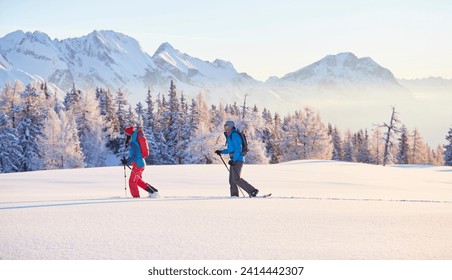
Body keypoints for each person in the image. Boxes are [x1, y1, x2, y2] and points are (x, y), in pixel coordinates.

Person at [215, 120, 259, 197]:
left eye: (227, 126)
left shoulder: (234, 135)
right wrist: (221, 152)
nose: (225, 127)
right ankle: (234, 196)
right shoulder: (229, 136)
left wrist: (234, 160)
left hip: (238, 160)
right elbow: (231, 149)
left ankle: (252, 191)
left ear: (231, 126)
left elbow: (238, 149)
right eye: (225, 126)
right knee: (232, 180)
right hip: (234, 159)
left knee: (236, 179)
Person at [121, 126, 158, 198]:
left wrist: (127, 161)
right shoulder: (134, 142)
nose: (126, 136)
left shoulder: (134, 144)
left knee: (132, 182)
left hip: (138, 165)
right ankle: (153, 192)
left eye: (126, 135)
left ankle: (136, 198)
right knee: (138, 181)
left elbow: (136, 156)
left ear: (129, 135)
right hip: (140, 164)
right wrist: (126, 160)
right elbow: (135, 155)